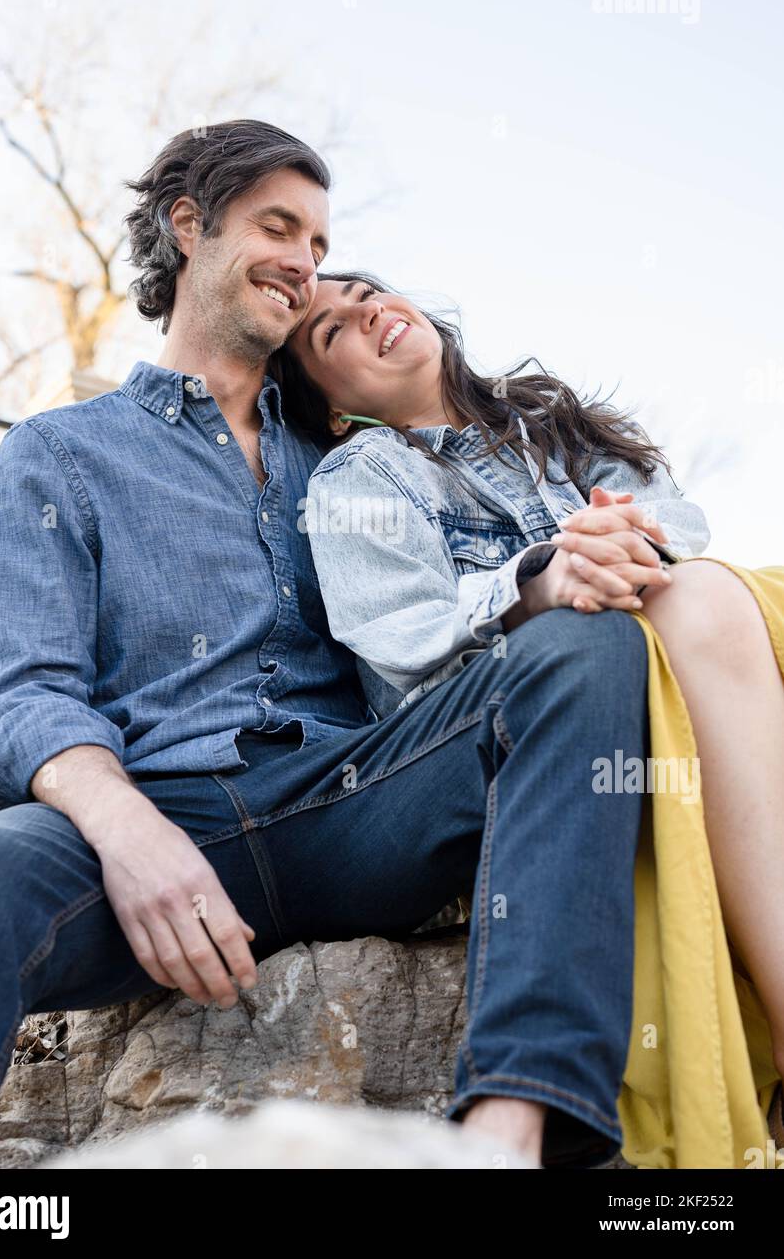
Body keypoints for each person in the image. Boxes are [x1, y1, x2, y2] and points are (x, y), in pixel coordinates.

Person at [0, 121, 653, 1172]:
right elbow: (30, 697)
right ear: (188, 226)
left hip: (351, 798)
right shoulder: (62, 453)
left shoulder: (357, 457)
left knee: (583, 652)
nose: (305, 262)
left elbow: (456, 613)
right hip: (154, 808)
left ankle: (514, 1128)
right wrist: (130, 833)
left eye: (318, 240)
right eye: (278, 226)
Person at [272, 268, 784, 1144]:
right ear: (331, 408)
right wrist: (539, 580)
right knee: (684, 607)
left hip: (686, 631)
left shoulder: (549, 422)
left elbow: (674, 522)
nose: (368, 314)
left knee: (698, 595)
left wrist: (613, 545)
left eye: (368, 293)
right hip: (560, 711)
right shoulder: (359, 478)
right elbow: (407, 643)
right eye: (334, 333)